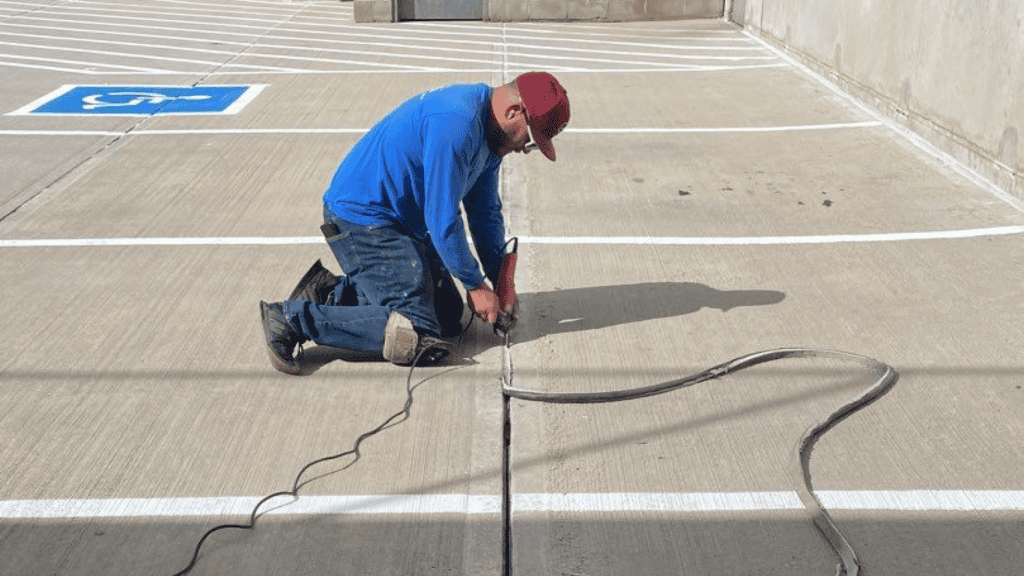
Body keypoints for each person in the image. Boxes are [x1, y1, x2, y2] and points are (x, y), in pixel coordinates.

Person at [259, 72, 570, 375]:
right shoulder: (457, 124)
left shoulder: (492, 138)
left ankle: (330, 294)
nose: (522, 149)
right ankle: (290, 318)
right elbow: (442, 218)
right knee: (416, 332)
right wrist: (475, 285)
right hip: (361, 219)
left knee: (448, 316)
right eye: (529, 140)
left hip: (402, 224)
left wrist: (498, 279)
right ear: (513, 111)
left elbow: (484, 212)